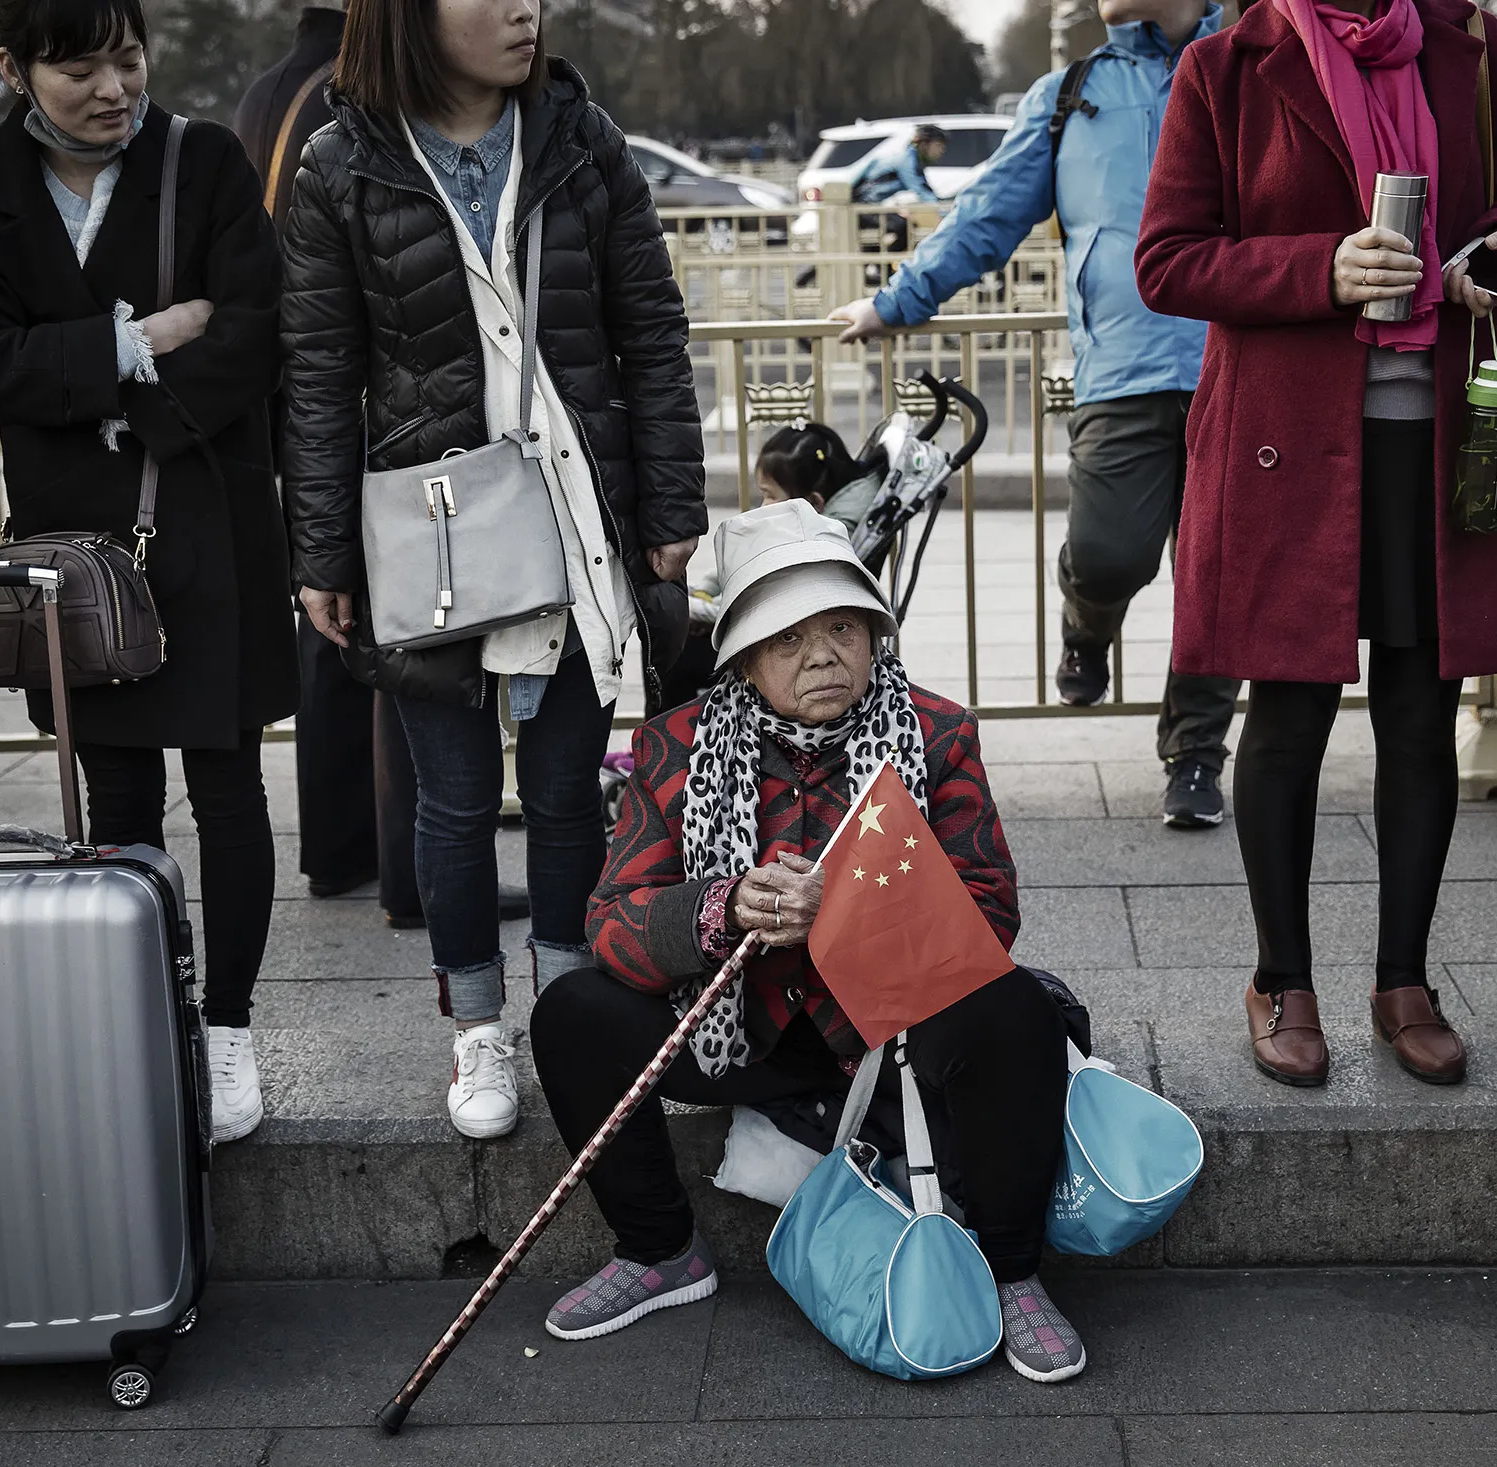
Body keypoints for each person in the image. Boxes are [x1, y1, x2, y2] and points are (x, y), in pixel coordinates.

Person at [530, 499, 1082, 1382]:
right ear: (745, 658)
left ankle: (1012, 1268)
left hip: (894, 1034)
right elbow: (612, 920)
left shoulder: (936, 733)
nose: (822, 654)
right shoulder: (674, 747)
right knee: (572, 1011)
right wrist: (722, 908)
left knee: (1015, 1007)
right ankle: (660, 1248)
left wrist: (855, 908)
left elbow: (990, 909)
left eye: (842, 628)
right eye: (787, 638)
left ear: (874, 635)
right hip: (744, 1033)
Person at [279, 0, 706, 1140]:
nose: (526, 9)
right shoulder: (341, 164)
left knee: (567, 794)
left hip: (575, 513)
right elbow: (317, 373)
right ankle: (477, 1029)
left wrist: (672, 507)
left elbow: (651, 332)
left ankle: (568, 1009)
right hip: (430, 535)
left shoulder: (580, 137)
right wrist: (321, 551)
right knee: (456, 800)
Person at [1136, 0, 1497, 1086]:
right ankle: (1281, 979)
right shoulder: (1225, 66)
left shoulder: (1471, 43)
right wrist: (1320, 270)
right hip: (1286, 446)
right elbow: (1169, 261)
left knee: (1421, 715)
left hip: (1442, 437)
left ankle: (1403, 980)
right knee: (1287, 718)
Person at [0, 0, 297, 1145]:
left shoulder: (204, 160)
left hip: (211, 521)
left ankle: (226, 1028)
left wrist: (121, 404)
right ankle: (148, 1020)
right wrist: (138, 342)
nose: (113, 89)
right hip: (76, 544)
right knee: (118, 798)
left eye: (127, 59)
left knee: (228, 790)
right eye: (79, 68)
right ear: (12, 69)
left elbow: (252, 328)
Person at [831, 0, 1243, 829]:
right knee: (1106, 554)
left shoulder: (1251, 71)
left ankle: (1196, 752)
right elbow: (989, 214)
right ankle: (1085, 626)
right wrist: (898, 299)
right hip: (1120, 374)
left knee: (1220, 577)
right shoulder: (1071, 94)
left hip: (1237, 372)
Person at [233, 0, 536, 929]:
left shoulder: (267, 91)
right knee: (411, 630)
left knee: (338, 634)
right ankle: (410, 868)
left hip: (300, 399)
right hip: (375, 407)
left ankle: (339, 848)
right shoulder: (348, 98)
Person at [663, 423, 880, 713]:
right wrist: (703, 592)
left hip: (771, 626)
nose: (764, 505)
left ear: (811, 503)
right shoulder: (792, 526)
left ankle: (673, 729)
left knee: (675, 647)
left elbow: (770, 603)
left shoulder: (814, 545)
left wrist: (700, 610)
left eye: (770, 495)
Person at [848, 122, 947, 205]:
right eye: (938, 146)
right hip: (862, 205)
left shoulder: (912, 159)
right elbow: (923, 193)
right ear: (924, 144)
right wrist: (944, 211)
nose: (942, 151)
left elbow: (927, 191)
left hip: (870, 205)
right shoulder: (908, 161)